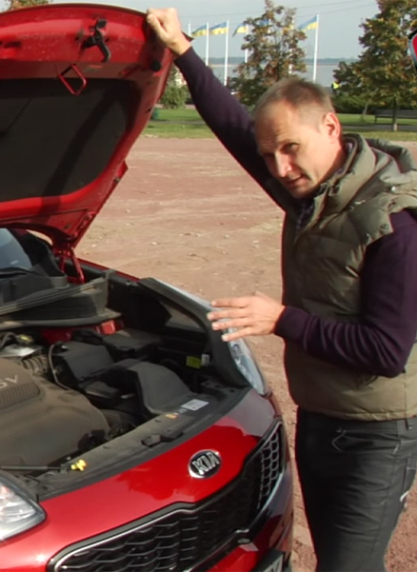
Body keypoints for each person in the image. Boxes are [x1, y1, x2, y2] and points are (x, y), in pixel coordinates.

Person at [146, 8, 417, 572]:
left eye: (290, 147)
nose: (280, 166)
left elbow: (387, 351)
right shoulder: (315, 192)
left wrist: (280, 320)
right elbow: (236, 130)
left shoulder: (394, 221)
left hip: (378, 435)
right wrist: (182, 51)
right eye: (271, 154)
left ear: (331, 127)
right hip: (321, 415)